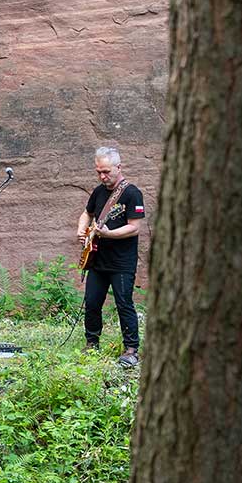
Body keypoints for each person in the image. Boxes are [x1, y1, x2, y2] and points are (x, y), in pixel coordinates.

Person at [76, 145, 147, 368]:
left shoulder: (132, 193)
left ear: (118, 167)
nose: (102, 176)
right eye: (98, 171)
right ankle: (91, 344)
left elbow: (134, 228)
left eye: (106, 171)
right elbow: (87, 213)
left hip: (121, 262)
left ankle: (131, 349)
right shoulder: (98, 191)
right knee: (93, 302)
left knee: (124, 303)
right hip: (97, 259)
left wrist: (108, 233)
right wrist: (82, 230)